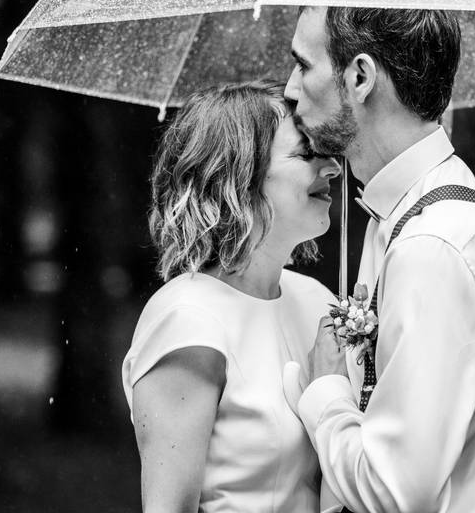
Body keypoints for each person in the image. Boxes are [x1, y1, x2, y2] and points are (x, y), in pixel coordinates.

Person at [282, 7, 475, 513]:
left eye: (303, 65)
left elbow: (394, 491)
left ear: (359, 77)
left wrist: (326, 393)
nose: (290, 88)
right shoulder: (401, 218)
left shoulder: (433, 247)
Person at [121, 80, 342, 512]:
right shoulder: (189, 321)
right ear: (239, 176)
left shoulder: (318, 302)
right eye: (307, 153)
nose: (333, 166)